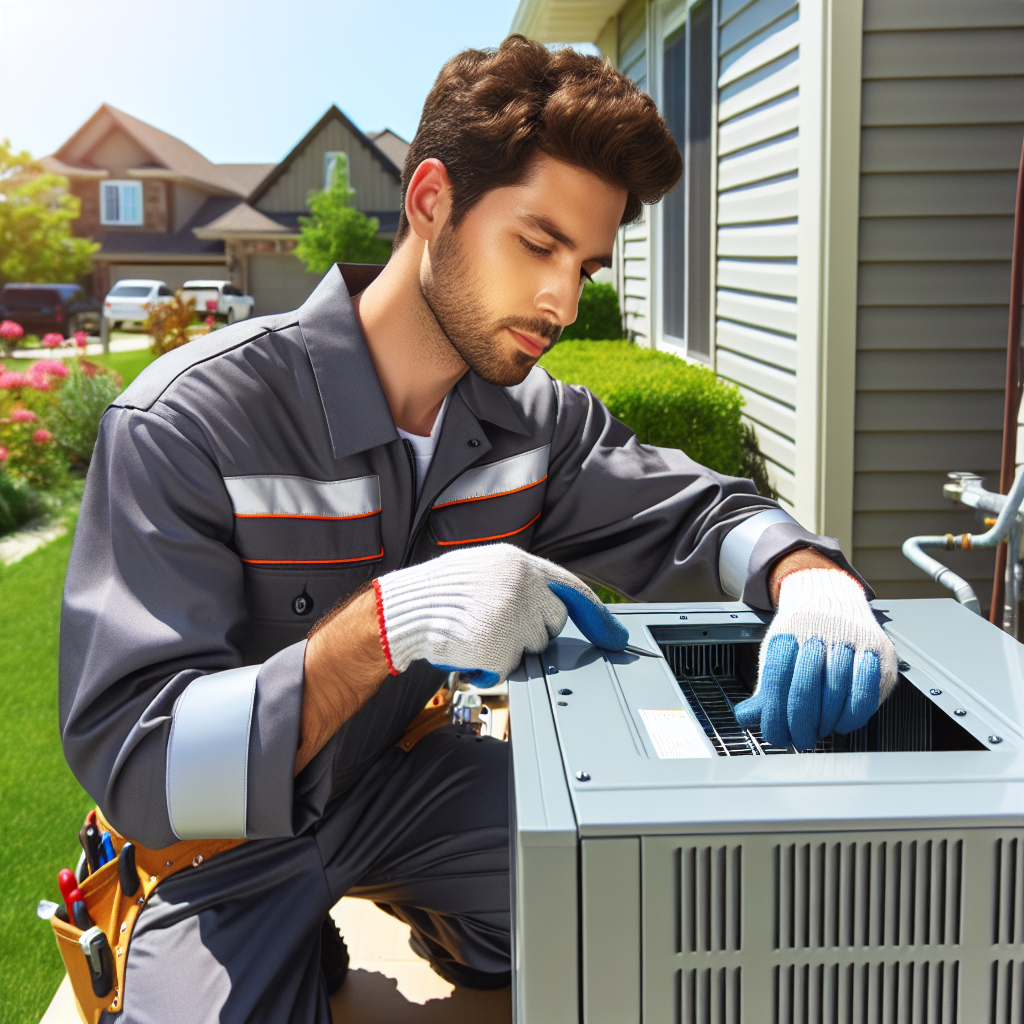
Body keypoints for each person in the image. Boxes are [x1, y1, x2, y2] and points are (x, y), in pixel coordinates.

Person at [59, 35, 897, 1023]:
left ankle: (454, 922)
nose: (560, 300)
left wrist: (807, 575)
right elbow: (140, 756)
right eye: (536, 245)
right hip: (213, 847)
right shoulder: (190, 420)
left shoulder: (532, 422)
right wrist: (381, 631)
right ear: (430, 203)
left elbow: (699, 509)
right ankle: (288, 932)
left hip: (394, 787)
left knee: (628, 903)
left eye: (582, 265)